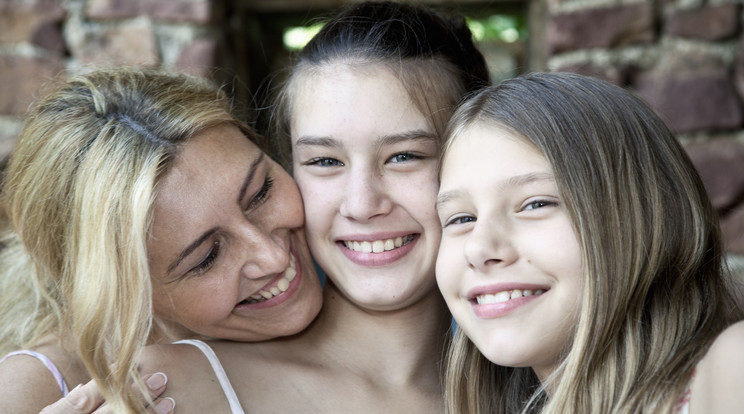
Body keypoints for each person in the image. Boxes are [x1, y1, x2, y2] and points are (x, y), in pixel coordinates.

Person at [45, 2, 491, 413]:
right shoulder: (167, 390)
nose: (362, 204)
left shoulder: (534, 386)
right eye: (325, 162)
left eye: (405, 156)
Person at [0, 67, 323, 414]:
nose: (273, 256)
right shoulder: (33, 390)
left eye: (261, 193)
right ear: (121, 290)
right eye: (207, 257)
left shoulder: (351, 265)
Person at [435, 72, 744, 413]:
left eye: (536, 204)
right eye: (461, 219)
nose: (478, 249)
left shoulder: (732, 368)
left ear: (639, 215)